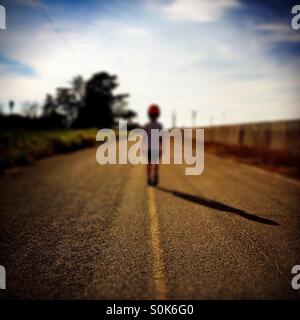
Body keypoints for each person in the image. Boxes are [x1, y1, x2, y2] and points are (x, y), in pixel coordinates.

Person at [144, 104, 163, 186]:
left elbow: (144, 137)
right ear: (158, 115)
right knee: (155, 163)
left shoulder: (147, 125)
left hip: (149, 148)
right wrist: (161, 147)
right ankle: (155, 175)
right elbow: (161, 138)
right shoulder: (159, 125)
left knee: (149, 163)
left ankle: (149, 178)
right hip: (156, 148)